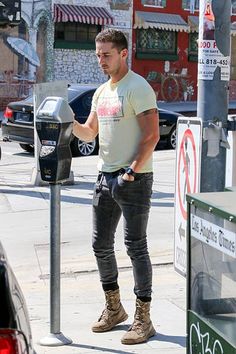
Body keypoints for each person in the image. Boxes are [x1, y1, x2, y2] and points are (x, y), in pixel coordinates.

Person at [73, 28, 159, 345]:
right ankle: (115, 308)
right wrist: (65, 119)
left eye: (106, 54)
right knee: (100, 246)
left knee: (136, 247)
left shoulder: (139, 88)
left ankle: (143, 318)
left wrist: (131, 173)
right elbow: (88, 133)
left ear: (124, 53)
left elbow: (151, 136)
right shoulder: (101, 92)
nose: (101, 61)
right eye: (98, 55)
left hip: (133, 178)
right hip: (103, 177)